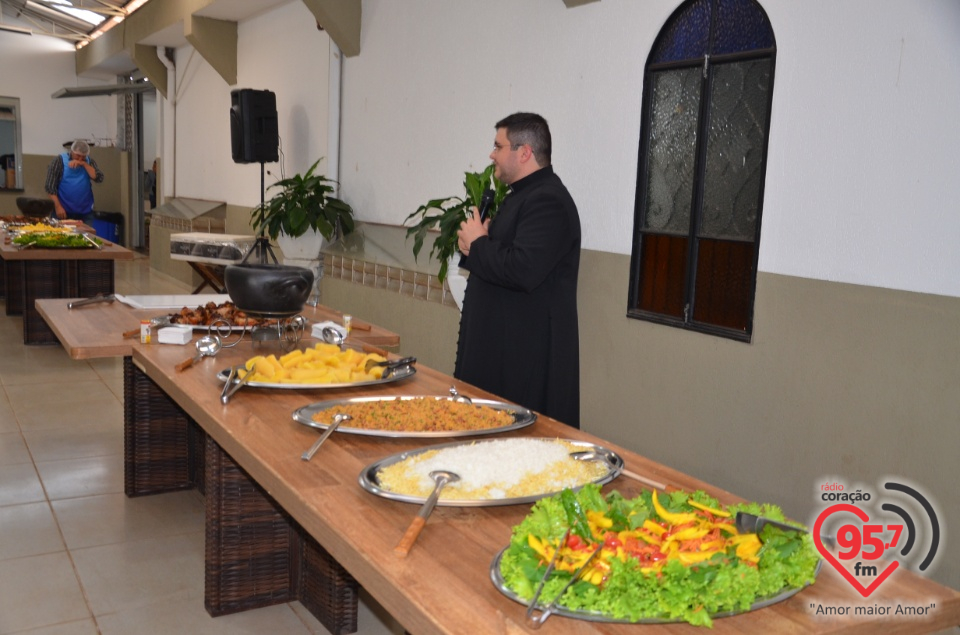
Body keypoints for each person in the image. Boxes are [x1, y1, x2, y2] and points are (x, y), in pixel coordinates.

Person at [454, 112, 582, 428]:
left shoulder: (548, 201)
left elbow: (523, 269)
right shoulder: (523, 197)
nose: (491, 154)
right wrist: (475, 245)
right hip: (504, 354)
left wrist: (480, 244)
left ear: (523, 152)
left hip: (525, 362)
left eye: (499, 146)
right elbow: (506, 259)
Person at [44, 139, 104, 220]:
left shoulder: (89, 162)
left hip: (85, 212)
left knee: (86, 232)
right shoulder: (59, 161)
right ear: (72, 152)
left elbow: (99, 178)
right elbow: (50, 187)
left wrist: (84, 164)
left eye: (83, 157)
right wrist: (58, 207)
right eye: (78, 156)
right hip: (63, 211)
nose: (80, 159)